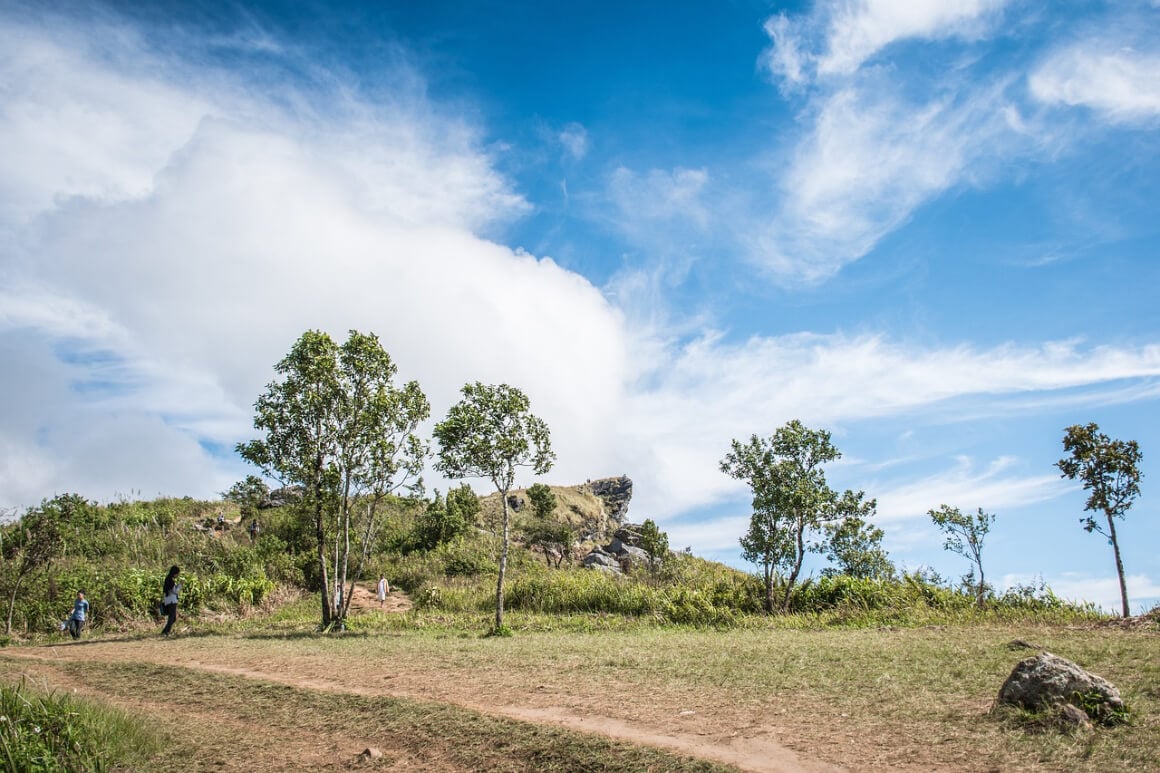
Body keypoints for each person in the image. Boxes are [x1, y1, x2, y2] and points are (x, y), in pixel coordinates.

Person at [161, 565, 181, 637]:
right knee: (172, 618)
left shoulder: (167, 579)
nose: (178, 575)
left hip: (168, 600)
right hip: (172, 601)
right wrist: (180, 585)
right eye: (177, 573)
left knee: (173, 618)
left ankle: (165, 631)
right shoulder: (171, 581)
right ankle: (166, 632)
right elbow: (175, 591)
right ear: (174, 573)